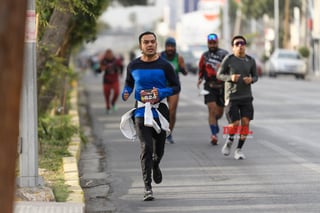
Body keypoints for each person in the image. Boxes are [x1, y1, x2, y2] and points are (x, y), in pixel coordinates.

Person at [121, 31, 180, 201]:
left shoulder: (165, 66)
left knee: (158, 149)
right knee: (146, 147)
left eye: (152, 42)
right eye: (146, 42)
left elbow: (175, 87)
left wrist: (161, 92)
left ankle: (156, 164)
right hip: (140, 111)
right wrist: (126, 92)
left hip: (160, 110)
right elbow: (129, 83)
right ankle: (147, 188)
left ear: (156, 44)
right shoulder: (133, 66)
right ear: (140, 46)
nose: (150, 44)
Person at [217, 35, 258, 160]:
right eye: (237, 44)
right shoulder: (228, 59)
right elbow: (219, 75)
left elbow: (256, 76)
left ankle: (239, 149)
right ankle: (229, 141)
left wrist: (251, 80)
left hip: (246, 96)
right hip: (232, 96)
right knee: (235, 124)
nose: (240, 46)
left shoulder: (250, 60)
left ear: (245, 46)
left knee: (245, 123)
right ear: (233, 47)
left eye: (242, 43)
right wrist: (230, 78)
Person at [197, 33, 228, 145]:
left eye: (214, 43)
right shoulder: (204, 56)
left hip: (222, 86)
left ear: (217, 42)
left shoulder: (224, 54)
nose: (212, 45)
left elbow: (231, 68)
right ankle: (214, 134)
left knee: (219, 114)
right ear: (207, 43)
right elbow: (201, 68)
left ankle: (215, 124)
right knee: (212, 109)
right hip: (209, 86)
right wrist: (200, 79)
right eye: (210, 43)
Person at [160, 37, 188, 144]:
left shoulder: (178, 58)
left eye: (172, 46)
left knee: (171, 112)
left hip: (173, 87)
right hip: (161, 87)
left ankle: (169, 133)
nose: (170, 48)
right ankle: (159, 131)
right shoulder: (160, 56)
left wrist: (182, 69)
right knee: (160, 111)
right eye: (168, 46)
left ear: (175, 47)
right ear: (165, 47)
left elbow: (185, 72)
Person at [99, 49, 123, 114]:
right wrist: (102, 68)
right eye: (107, 54)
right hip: (106, 80)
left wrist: (121, 73)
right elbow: (99, 70)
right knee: (107, 95)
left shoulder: (116, 60)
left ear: (112, 54)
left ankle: (113, 102)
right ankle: (108, 107)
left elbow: (121, 66)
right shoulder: (103, 61)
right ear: (106, 55)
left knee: (117, 92)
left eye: (110, 54)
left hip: (115, 79)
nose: (109, 55)